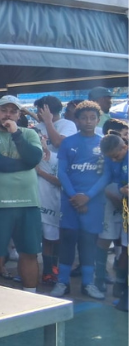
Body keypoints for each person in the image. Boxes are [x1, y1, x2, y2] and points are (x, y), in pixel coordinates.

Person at [0, 95, 44, 292]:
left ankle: (31, 298)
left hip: (28, 203)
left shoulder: (29, 135)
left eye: (13, 111)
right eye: (4, 110)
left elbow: (35, 157)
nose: (8, 115)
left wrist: (16, 135)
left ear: (19, 115)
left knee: (29, 253)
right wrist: (27, 163)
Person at [51, 101, 111, 300]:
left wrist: (87, 197)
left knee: (89, 243)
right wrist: (74, 197)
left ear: (98, 119)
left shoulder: (104, 143)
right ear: (76, 120)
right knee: (67, 240)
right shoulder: (68, 142)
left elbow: (106, 176)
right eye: (84, 117)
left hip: (93, 203)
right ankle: (62, 282)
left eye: (92, 118)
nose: (88, 121)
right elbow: (62, 172)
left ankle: (88, 283)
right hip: (71, 202)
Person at [32, 96, 77, 284]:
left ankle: (57, 267)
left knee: (59, 231)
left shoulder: (67, 124)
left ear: (47, 110)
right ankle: (48, 270)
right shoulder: (36, 128)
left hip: (60, 182)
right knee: (45, 232)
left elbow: (59, 143)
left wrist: (49, 122)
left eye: (40, 110)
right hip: (40, 186)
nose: (37, 114)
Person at [96, 119, 128, 292]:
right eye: (111, 158)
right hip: (112, 198)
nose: (114, 160)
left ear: (125, 147)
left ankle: (120, 283)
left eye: (116, 157)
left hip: (124, 201)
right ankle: (100, 276)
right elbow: (105, 180)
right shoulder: (110, 157)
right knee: (105, 237)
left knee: (125, 245)